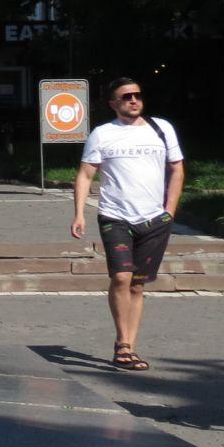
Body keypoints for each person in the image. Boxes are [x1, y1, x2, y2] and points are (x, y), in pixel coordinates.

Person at [70, 79, 184, 371]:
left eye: (137, 95)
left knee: (137, 284)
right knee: (122, 277)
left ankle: (130, 347)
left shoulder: (161, 129)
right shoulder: (102, 134)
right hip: (115, 217)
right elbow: (85, 175)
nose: (133, 100)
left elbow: (177, 169)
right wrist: (79, 213)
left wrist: (169, 212)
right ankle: (122, 343)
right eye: (126, 97)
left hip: (154, 220)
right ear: (113, 104)